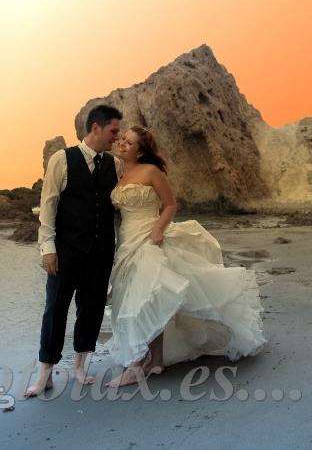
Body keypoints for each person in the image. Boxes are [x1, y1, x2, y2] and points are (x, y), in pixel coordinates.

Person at [106, 126, 268, 387]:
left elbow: (170, 204)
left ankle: (135, 365)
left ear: (141, 150)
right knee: (148, 298)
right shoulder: (119, 172)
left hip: (149, 238)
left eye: (129, 142)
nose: (122, 143)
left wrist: (158, 229)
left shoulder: (151, 171)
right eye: (122, 139)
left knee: (140, 298)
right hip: (127, 240)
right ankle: (156, 360)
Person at [25, 104, 123, 397]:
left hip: (101, 251)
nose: (116, 138)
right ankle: (45, 373)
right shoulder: (62, 159)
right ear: (95, 128)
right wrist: (47, 248)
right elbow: (49, 206)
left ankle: (80, 366)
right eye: (113, 131)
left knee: (92, 309)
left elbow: (118, 208)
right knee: (55, 309)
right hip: (66, 251)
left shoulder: (114, 165)